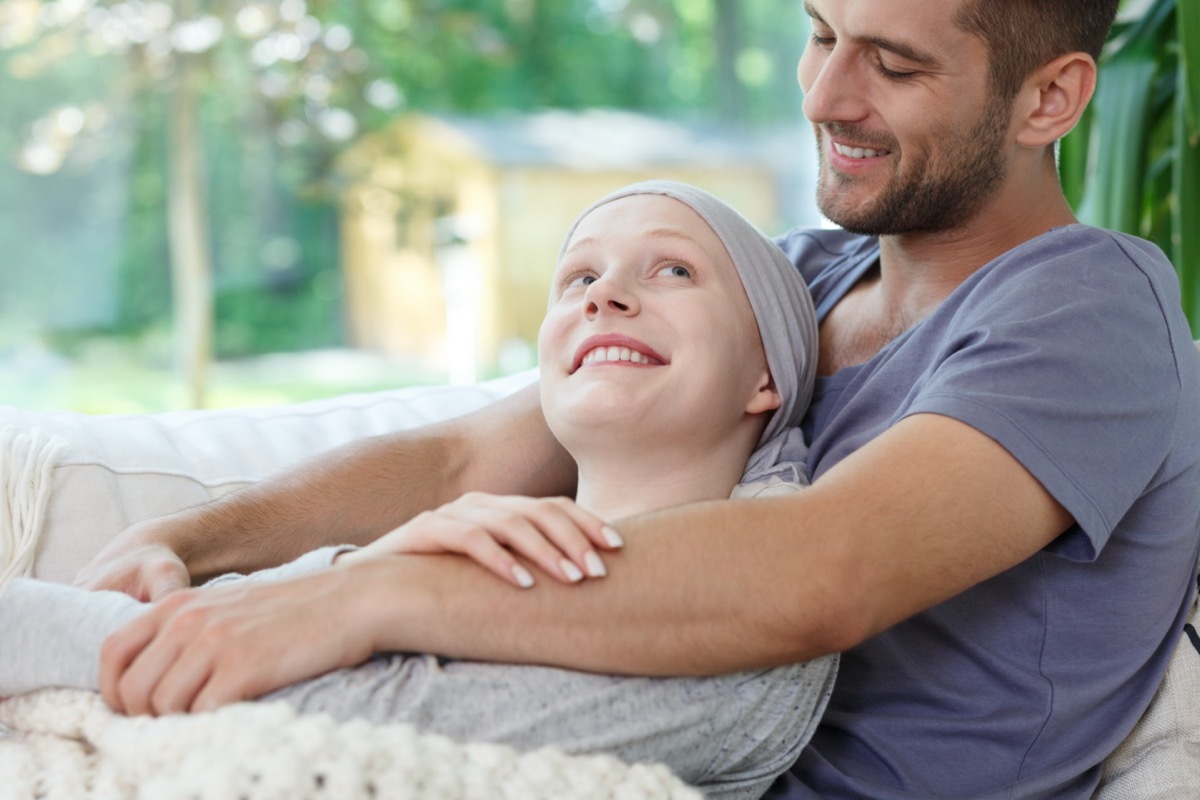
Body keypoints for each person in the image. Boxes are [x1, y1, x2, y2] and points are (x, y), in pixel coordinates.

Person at [69, 0, 1200, 797]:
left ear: (1049, 98)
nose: (824, 94)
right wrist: (185, 539)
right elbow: (468, 462)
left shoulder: (1089, 311)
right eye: (817, 34)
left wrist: (366, 595)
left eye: (893, 66)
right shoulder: (797, 276)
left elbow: (820, 572)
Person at [0, 181, 836, 798]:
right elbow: (219, 635)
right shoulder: (463, 535)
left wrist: (361, 590)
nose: (604, 297)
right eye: (577, 278)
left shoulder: (749, 640)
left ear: (767, 374)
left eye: (675, 272)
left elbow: (344, 719)